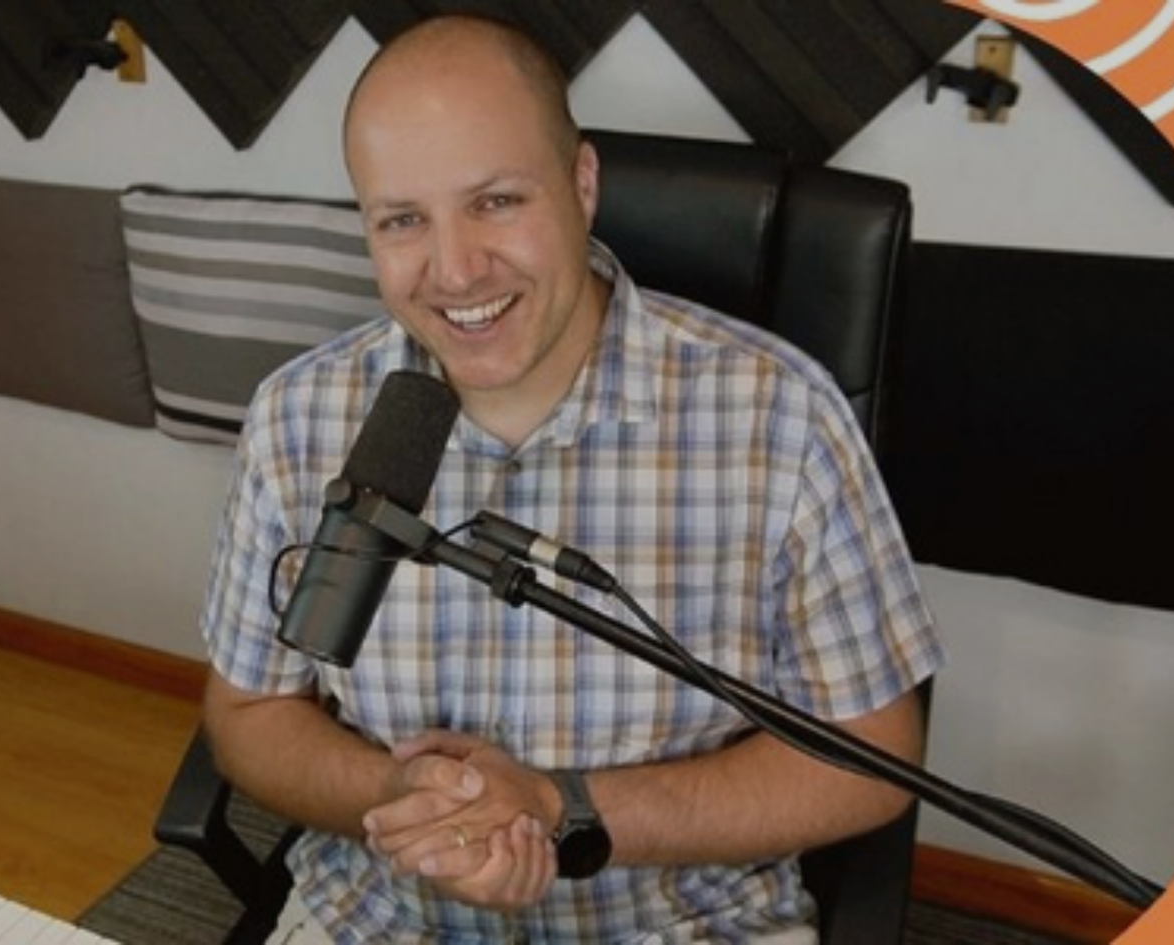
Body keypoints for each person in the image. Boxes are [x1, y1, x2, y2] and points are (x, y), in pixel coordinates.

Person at [199, 15, 943, 943]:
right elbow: (249, 710)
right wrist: (400, 794)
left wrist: (563, 808)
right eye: (403, 220)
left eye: (496, 201)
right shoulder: (297, 416)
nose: (455, 270)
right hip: (378, 916)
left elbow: (872, 757)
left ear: (582, 184)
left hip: (683, 926)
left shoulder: (782, 416)